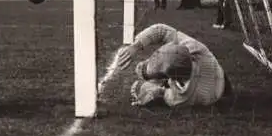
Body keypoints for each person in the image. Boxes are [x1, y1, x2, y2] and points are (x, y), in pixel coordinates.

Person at [98, 23, 233, 108]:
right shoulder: (195, 49)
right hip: (215, 72)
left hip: (215, 92)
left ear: (170, 78)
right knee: (147, 74)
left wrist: (146, 90)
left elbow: (156, 92)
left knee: (142, 82)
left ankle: (151, 76)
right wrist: (136, 46)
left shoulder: (181, 98)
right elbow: (162, 30)